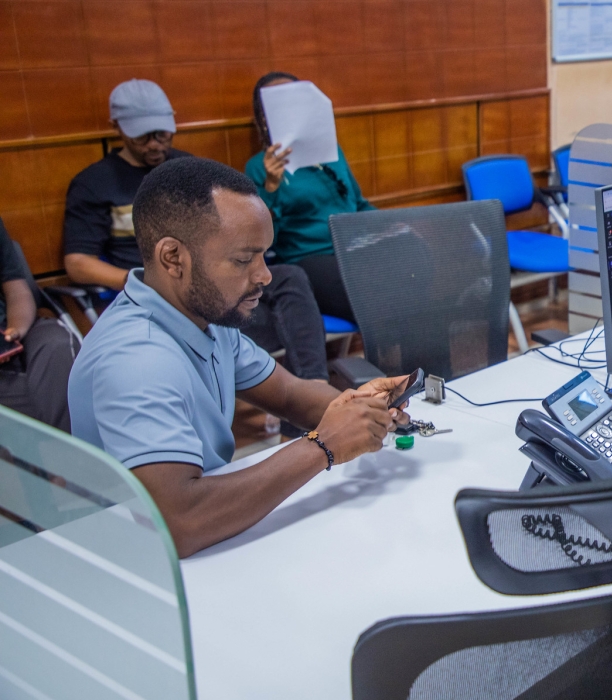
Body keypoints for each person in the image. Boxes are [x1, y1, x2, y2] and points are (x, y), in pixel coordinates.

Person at [68, 158, 412, 558]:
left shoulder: (201, 317)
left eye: (264, 256)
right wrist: (324, 446)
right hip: (146, 568)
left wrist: (362, 407)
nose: (265, 275)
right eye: (243, 259)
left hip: (211, 538)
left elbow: (288, 395)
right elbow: (179, 523)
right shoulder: (136, 360)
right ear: (173, 258)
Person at [63, 80, 331, 384]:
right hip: (161, 290)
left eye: (162, 133)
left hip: (212, 273)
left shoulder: (189, 170)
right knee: (277, 320)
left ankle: (313, 387)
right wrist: (134, 278)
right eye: (142, 136)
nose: (154, 144)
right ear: (117, 128)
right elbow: (77, 262)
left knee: (289, 279)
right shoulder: (95, 183)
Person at [244, 72, 375, 322]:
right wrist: (271, 187)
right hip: (309, 257)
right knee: (367, 296)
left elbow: (358, 204)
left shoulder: (332, 152)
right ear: (264, 117)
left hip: (355, 244)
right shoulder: (258, 167)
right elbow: (261, 237)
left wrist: (392, 223)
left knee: (410, 262)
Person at [0, 218, 79, 432]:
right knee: (37, 399)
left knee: (58, 344)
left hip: (12, 329)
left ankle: (78, 458)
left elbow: (17, 290)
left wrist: (15, 330)